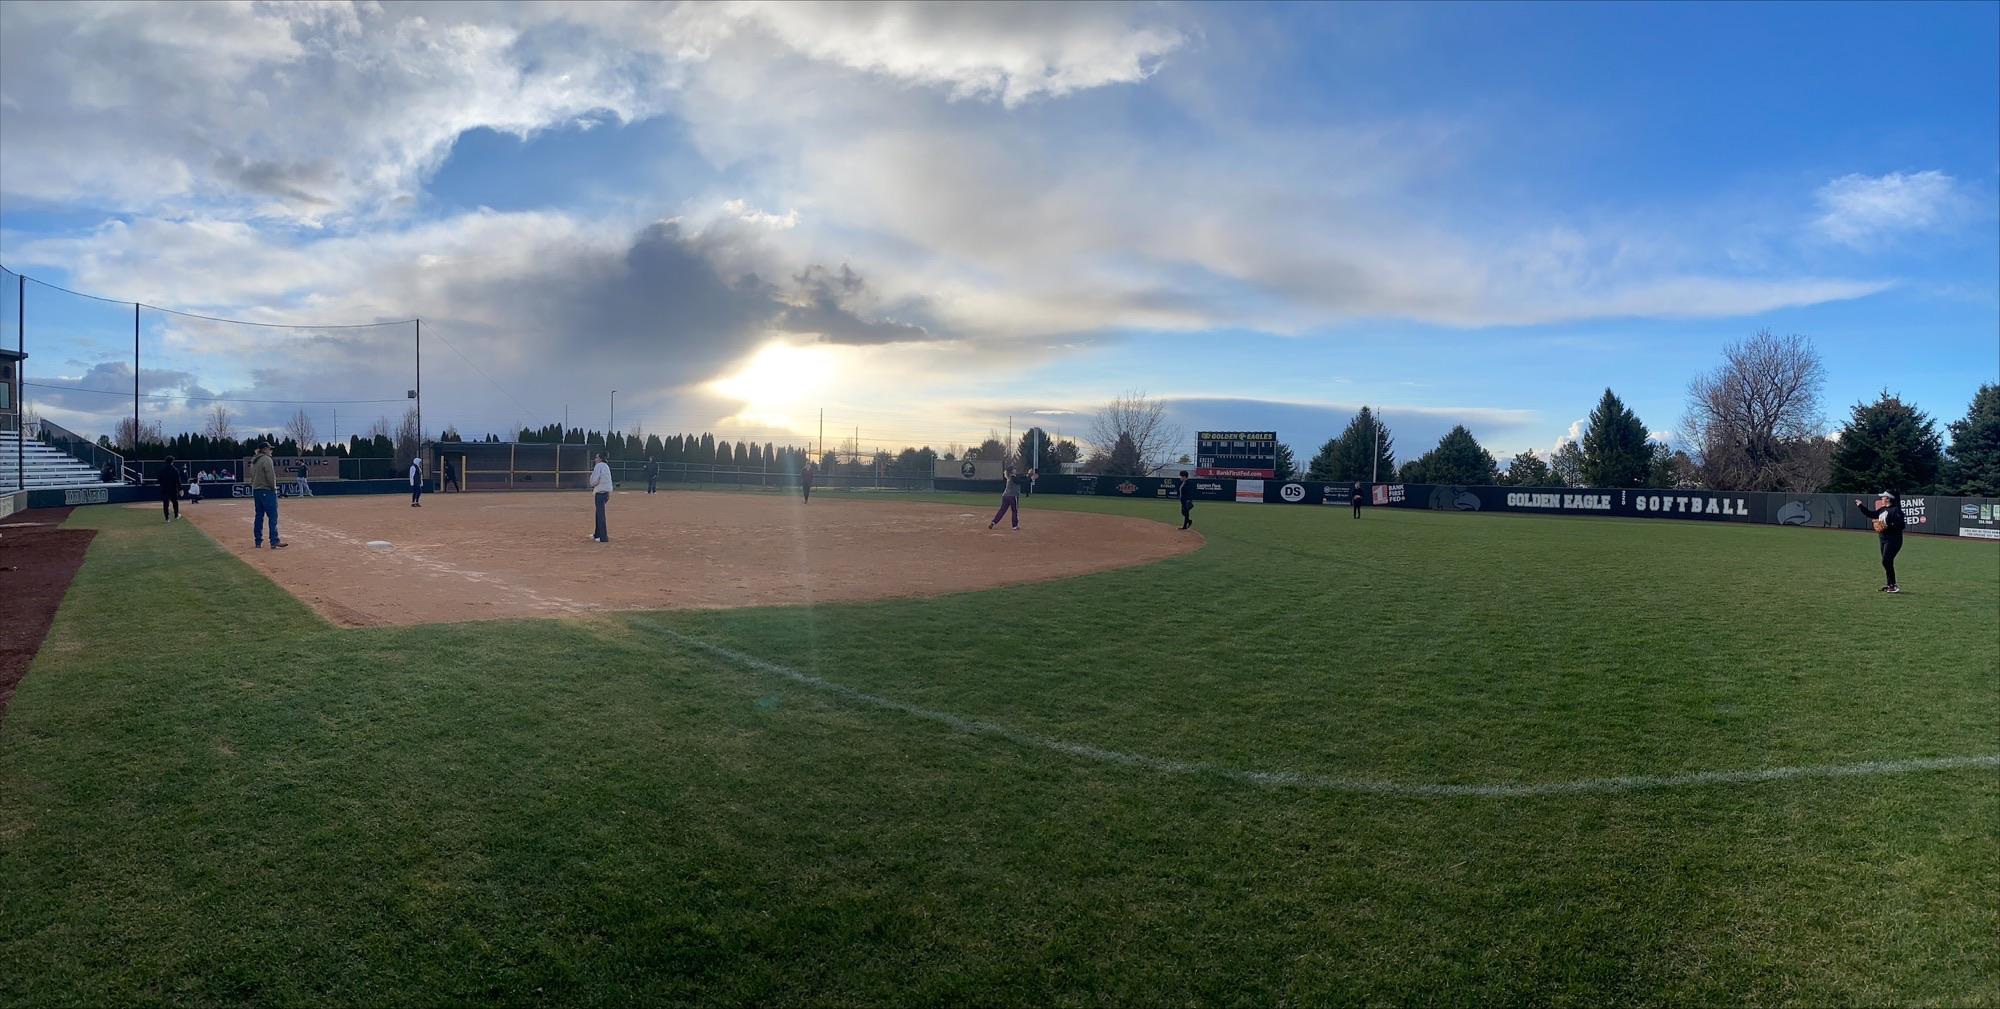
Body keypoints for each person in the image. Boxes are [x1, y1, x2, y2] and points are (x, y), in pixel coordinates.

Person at [1855, 491, 1906, 593]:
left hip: (1894, 540)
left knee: (1886, 561)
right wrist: (1861, 506)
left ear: (1888, 499)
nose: (1881, 499)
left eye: (1883, 497)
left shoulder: (1896, 510)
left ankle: (1893, 585)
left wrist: (1888, 526)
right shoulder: (1883, 509)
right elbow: (1871, 514)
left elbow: (1901, 525)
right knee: (1887, 562)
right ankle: (1890, 585)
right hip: (1883, 539)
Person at [248, 443, 286, 548]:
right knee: (273, 516)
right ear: (265, 450)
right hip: (267, 490)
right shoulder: (266, 459)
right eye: (270, 449)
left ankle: (258, 541)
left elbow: (251, 476)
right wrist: (273, 488)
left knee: (259, 516)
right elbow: (270, 475)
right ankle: (274, 540)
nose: (271, 451)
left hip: (257, 490)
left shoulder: (254, 460)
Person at [989, 465, 1028, 531]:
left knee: (1002, 510)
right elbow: (1020, 481)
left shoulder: (1010, 477)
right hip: (1012, 496)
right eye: (1014, 469)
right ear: (1011, 471)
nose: (1015, 470)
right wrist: (1030, 479)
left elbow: (1020, 477)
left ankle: (994, 522)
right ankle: (1015, 526)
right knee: (1014, 511)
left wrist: (1027, 476)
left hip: (1005, 496)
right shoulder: (1013, 477)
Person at [589, 451, 614, 543]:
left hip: (600, 493)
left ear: (600, 459)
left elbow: (594, 480)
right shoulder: (606, 466)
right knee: (598, 513)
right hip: (606, 493)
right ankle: (597, 534)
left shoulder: (598, 466)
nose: (595, 459)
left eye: (596, 457)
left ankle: (603, 537)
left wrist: (592, 484)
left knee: (600, 515)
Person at [158, 455, 183, 523]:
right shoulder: (175, 470)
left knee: (165, 503)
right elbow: (178, 480)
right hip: (173, 489)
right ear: (172, 462)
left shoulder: (162, 469)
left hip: (164, 489)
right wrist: (180, 488)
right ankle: (176, 515)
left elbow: (159, 479)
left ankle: (167, 518)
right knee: (175, 502)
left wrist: (162, 485)